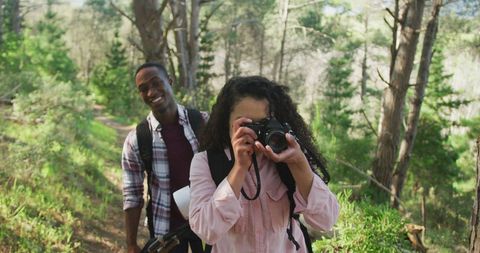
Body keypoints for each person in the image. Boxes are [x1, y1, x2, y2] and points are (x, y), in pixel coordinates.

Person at [188, 76, 339, 253]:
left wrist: (299, 163)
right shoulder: (206, 162)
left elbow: (326, 220)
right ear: (225, 122)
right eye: (245, 124)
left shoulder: (288, 158)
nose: (254, 133)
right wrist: (239, 169)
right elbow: (206, 231)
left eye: (263, 124)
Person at [122, 62, 208, 253]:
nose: (151, 92)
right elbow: (132, 195)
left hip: (210, 225)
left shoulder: (203, 122)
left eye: (156, 83)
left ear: (169, 81)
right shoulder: (137, 139)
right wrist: (130, 244)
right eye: (143, 89)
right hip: (167, 234)